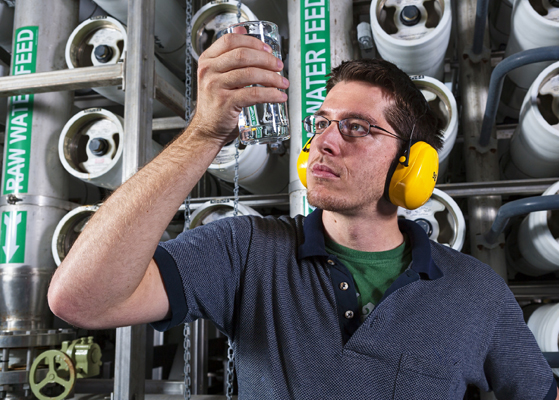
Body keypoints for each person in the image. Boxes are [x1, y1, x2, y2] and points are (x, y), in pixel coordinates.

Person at [48, 32, 558, 400]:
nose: (323, 143)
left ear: (413, 167)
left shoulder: (477, 292)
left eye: (357, 128)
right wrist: (204, 134)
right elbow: (81, 299)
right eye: (321, 123)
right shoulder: (245, 250)